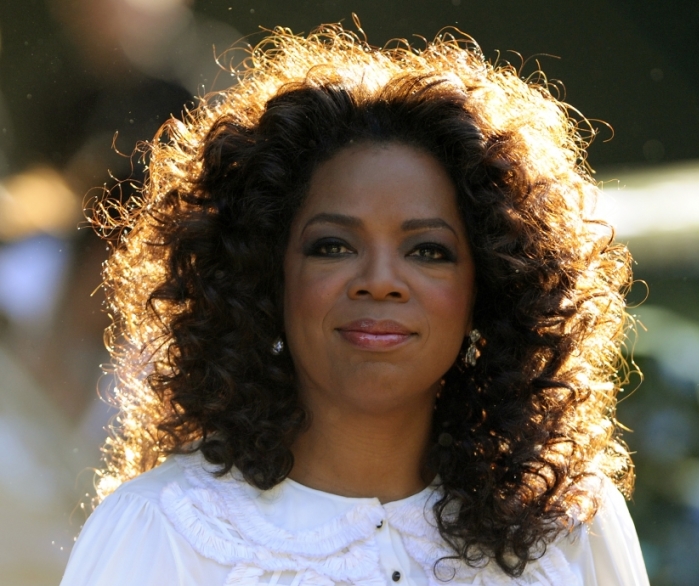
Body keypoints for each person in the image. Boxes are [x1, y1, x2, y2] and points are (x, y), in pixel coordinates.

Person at [60, 23, 648, 586]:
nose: (380, 281)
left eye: (428, 251)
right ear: (266, 278)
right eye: (333, 246)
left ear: (489, 290)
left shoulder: (570, 530)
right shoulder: (164, 530)